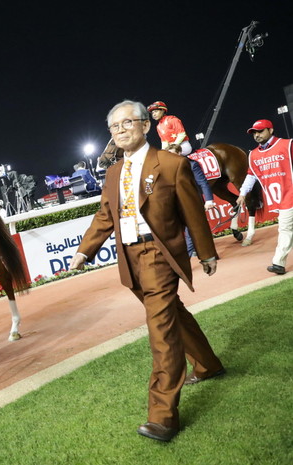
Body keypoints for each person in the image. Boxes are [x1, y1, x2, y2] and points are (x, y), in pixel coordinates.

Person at [69, 100, 224, 442]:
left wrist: (206, 252)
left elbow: (192, 212)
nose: (121, 130)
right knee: (172, 314)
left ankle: (163, 416)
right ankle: (208, 364)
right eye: (114, 126)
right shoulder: (113, 173)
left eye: (127, 123)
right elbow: (105, 216)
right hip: (130, 258)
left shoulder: (171, 164)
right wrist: (84, 250)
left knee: (161, 332)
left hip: (159, 255)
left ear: (145, 126)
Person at [236, 119, 293, 275]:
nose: (257, 135)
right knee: (285, 228)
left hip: (289, 195)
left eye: (260, 131)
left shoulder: (287, 145)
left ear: (271, 130)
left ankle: (278, 263)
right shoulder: (253, 155)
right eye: (254, 132)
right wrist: (242, 194)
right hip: (282, 199)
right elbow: (251, 176)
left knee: (285, 229)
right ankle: (279, 263)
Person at [166, 144, 217, 256]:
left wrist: (209, 200)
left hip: (192, 202)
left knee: (191, 228)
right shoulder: (165, 168)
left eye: (173, 154)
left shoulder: (192, 164)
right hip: (175, 202)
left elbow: (203, 183)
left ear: (179, 153)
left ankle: (189, 255)